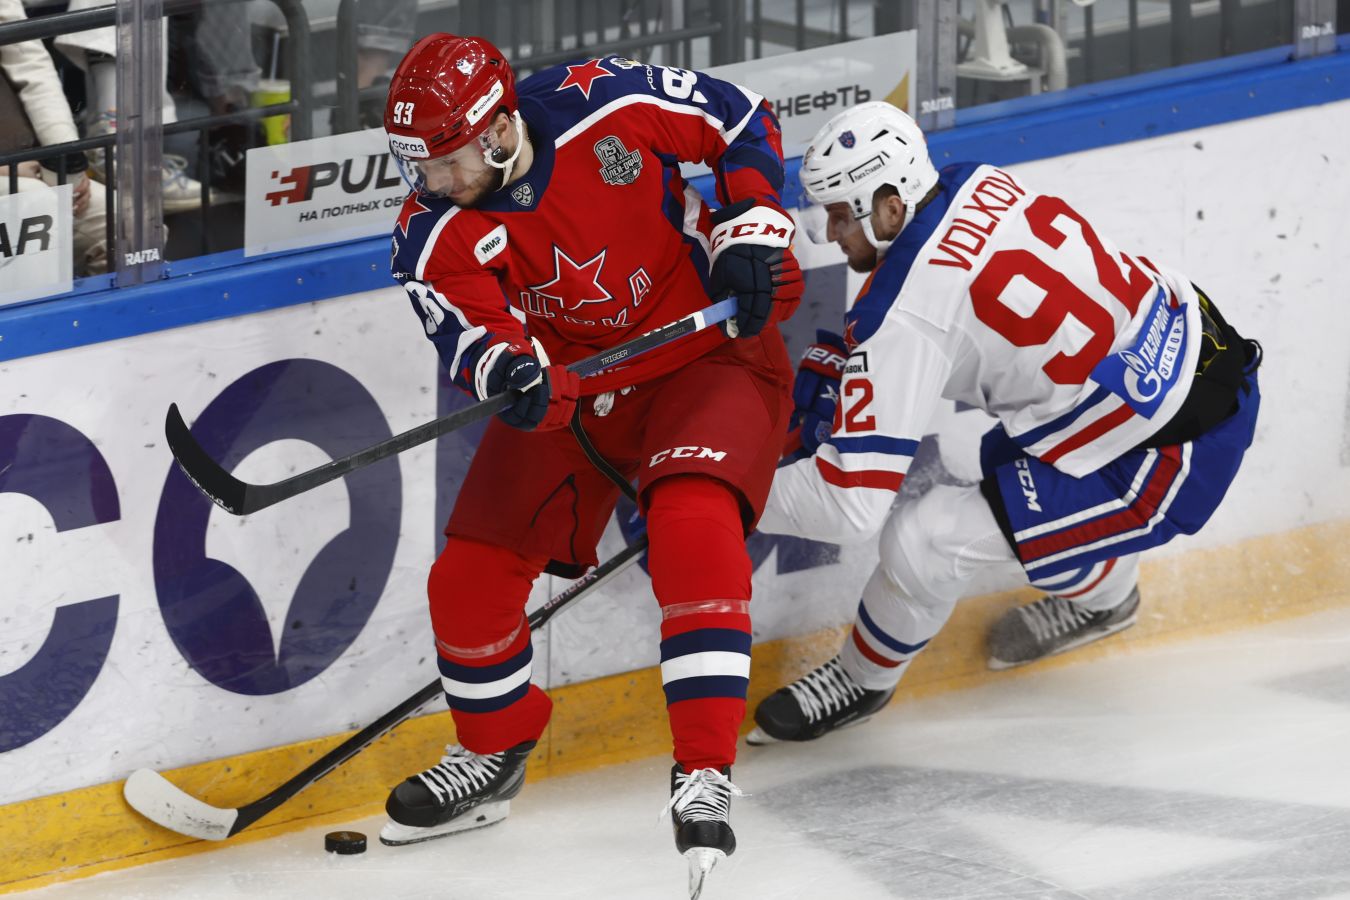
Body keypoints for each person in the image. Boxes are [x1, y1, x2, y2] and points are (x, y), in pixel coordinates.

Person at [378, 34, 803, 889]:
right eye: (418, 163)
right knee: (467, 580)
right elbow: (471, 333)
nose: (433, 181)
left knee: (690, 523)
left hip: (706, 357)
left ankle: (704, 771)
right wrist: (510, 371)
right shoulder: (432, 230)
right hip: (578, 392)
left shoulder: (607, 101)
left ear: (500, 130)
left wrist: (751, 226)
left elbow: (741, 120)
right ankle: (493, 750)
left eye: (449, 161)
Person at [749, 100, 1262, 744]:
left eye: (840, 214)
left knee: (923, 542)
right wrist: (865, 375)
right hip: (1190, 356)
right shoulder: (975, 179)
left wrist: (716, 491)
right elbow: (964, 319)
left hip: (1167, 454)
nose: (829, 234)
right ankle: (1108, 595)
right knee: (1007, 476)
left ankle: (862, 682)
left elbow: (848, 505)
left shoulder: (904, 317)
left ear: (890, 207)